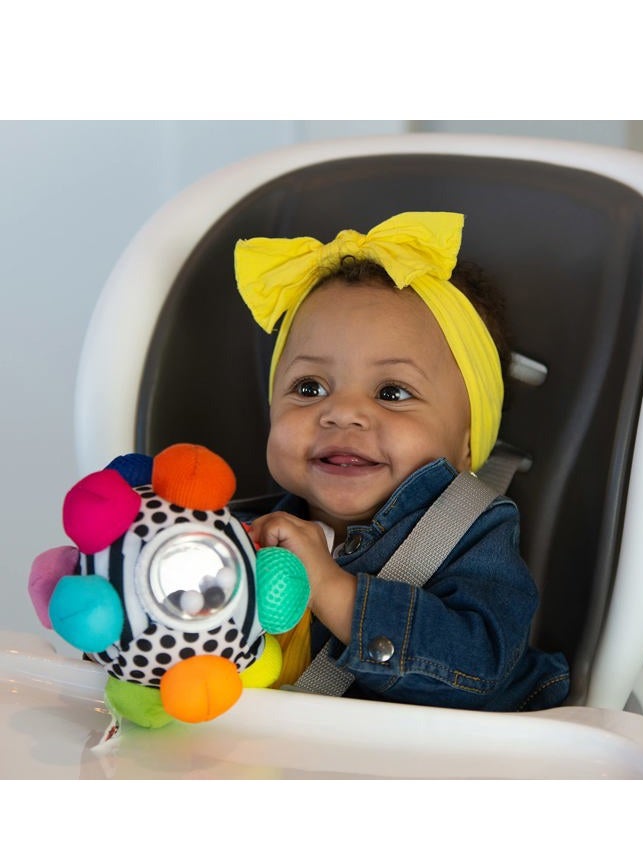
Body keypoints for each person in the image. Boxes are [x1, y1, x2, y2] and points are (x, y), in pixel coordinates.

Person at [234, 211, 570, 712]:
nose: (342, 411)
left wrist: (329, 587)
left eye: (392, 392)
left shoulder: (473, 534)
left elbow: (480, 663)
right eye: (309, 388)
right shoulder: (246, 535)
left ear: (467, 441)